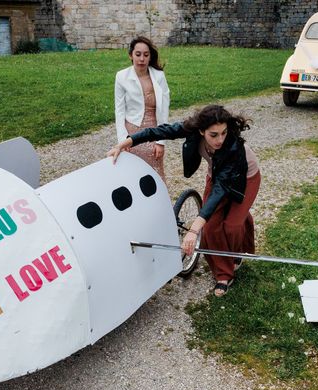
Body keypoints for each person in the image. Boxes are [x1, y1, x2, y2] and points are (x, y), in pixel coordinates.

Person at [108, 105, 261, 297]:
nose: (220, 139)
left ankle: (238, 246)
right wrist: (126, 142)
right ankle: (224, 275)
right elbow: (160, 131)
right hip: (218, 175)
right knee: (212, 226)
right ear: (201, 130)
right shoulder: (191, 128)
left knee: (231, 224)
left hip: (245, 179)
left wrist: (193, 230)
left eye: (224, 133)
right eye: (213, 135)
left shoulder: (233, 148)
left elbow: (220, 191)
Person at [114, 36, 170, 182]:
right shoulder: (121, 76)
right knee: (132, 177)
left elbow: (164, 110)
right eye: (138, 54)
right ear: (130, 55)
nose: (141, 59)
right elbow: (119, 111)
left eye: (146, 55)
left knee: (155, 177)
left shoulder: (159, 76)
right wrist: (123, 140)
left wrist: (160, 142)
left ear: (150, 56)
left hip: (154, 131)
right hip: (132, 132)